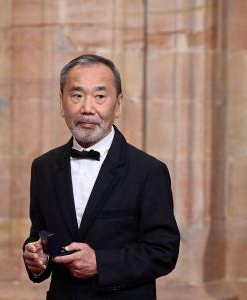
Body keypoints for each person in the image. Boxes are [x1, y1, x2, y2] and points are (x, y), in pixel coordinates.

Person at [22, 54, 180, 299]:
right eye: (76, 95)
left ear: (117, 105)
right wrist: (36, 256)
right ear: (61, 103)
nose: (87, 108)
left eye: (99, 96)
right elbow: (42, 234)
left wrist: (101, 263)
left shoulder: (148, 171)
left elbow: (163, 252)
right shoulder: (43, 167)